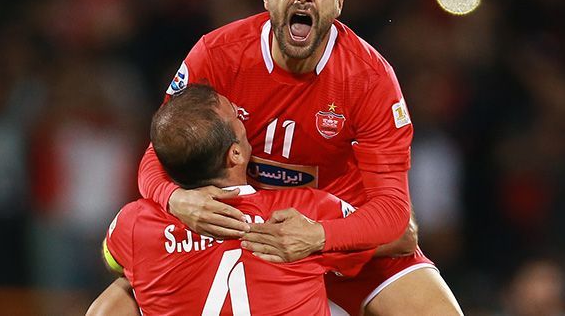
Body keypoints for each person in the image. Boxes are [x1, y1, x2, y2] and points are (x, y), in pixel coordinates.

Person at [119, 0, 462, 315]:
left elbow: (393, 212)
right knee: (110, 307)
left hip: (336, 231)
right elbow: (158, 154)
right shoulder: (217, 55)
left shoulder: (370, 78)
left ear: (339, 1)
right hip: (241, 229)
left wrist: (320, 236)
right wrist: (176, 198)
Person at [97, 84, 377, 315]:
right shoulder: (305, 210)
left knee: (116, 296)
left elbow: (113, 260)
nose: (242, 113)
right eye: (236, 115)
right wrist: (320, 236)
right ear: (235, 154)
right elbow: (389, 236)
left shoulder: (136, 221)